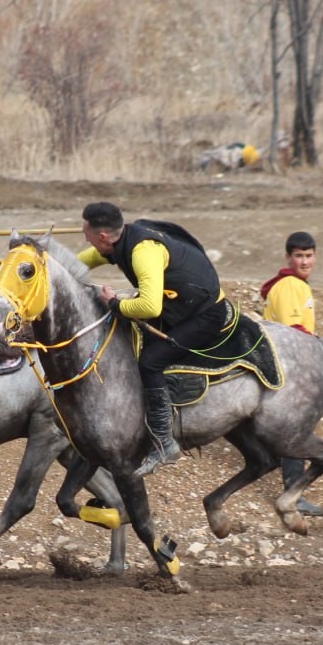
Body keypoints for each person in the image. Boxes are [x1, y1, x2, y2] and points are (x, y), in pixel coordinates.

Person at [78, 201, 229, 477]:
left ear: (102, 236)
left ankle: (164, 442)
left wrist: (114, 304)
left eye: (85, 233)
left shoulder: (142, 252)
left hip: (203, 315)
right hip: (179, 303)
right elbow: (91, 258)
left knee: (150, 361)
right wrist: (58, 267)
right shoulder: (120, 239)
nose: (84, 236)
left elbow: (150, 307)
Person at [260, 231, 323, 517]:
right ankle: (293, 492)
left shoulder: (298, 285)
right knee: (295, 427)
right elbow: (292, 333)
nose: (304, 261)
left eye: (309, 255)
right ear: (288, 258)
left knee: (290, 427)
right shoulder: (289, 286)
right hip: (290, 365)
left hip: (289, 362)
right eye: (299, 256)